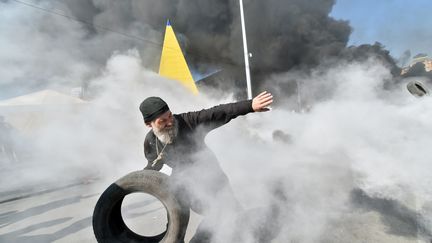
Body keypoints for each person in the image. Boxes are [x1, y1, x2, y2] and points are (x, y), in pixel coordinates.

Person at [139, 91, 273, 243]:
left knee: (231, 220)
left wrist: (250, 105)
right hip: (183, 187)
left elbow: (218, 112)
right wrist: (135, 182)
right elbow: (153, 166)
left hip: (213, 182)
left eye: (170, 115)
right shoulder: (150, 142)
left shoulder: (187, 121)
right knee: (175, 227)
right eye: (162, 121)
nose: (170, 122)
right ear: (149, 124)